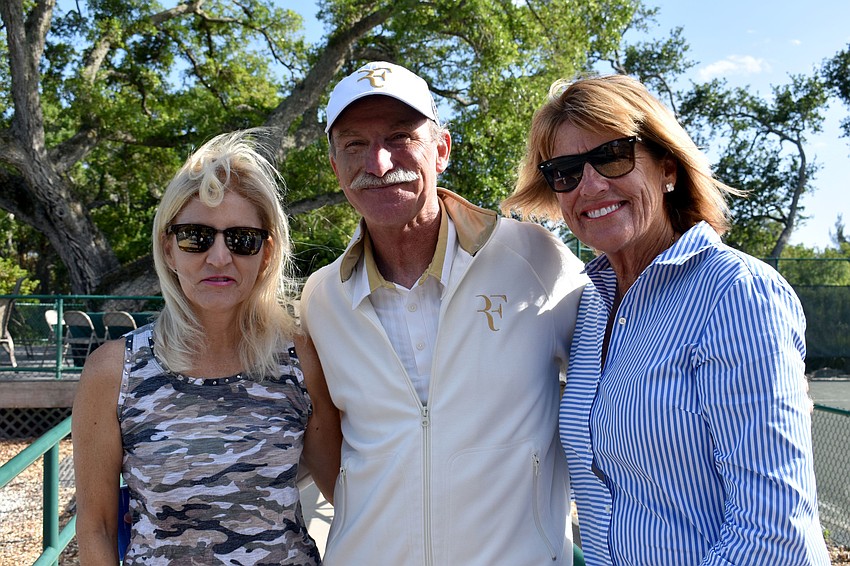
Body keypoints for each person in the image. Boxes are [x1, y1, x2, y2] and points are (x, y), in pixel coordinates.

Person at [503, 73, 830, 565]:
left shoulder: (736, 292)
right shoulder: (590, 303)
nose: (590, 185)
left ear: (667, 168)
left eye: (612, 156)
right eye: (565, 171)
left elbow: (774, 532)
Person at [298, 61, 588, 565]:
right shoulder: (322, 297)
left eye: (400, 137)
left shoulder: (532, 259)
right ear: (335, 167)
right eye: (354, 145)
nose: (380, 162)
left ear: (442, 150)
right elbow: (329, 445)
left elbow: (613, 389)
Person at [72, 129, 339, 565]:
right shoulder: (113, 372)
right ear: (168, 248)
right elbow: (96, 528)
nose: (219, 257)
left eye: (241, 239)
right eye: (196, 236)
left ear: (266, 254)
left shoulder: (299, 359)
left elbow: (347, 497)